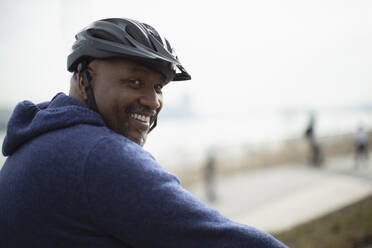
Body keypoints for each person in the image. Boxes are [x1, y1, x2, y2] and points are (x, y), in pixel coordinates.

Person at [0, 18, 286, 247]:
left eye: (159, 87)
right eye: (134, 81)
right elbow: (222, 240)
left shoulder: (31, 145)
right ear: (82, 78)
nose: (153, 101)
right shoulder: (100, 156)